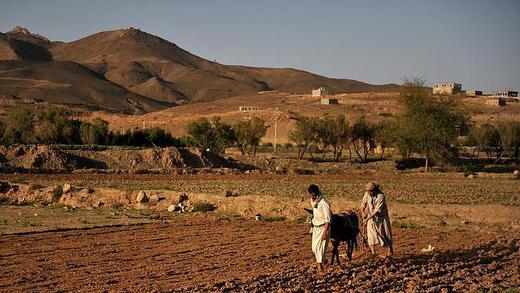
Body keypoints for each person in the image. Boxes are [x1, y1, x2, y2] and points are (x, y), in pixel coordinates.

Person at [361, 182, 394, 258]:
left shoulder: (381, 196)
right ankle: (373, 252)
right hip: (371, 217)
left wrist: (366, 219)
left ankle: (390, 250)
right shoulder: (367, 194)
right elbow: (363, 205)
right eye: (368, 191)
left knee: (386, 234)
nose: (370, 192)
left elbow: (376, 211)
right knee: (371, 235)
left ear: (375, 190)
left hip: (382, 218)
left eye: (371, 191)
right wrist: (363, 212)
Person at [308, 184, 332, 274]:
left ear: (317, 193)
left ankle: (320, 267)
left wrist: (325, 232)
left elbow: (328, 220)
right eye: (310, 195)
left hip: (323, 227)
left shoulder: (324, 203)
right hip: (316, 228)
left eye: (313, 195)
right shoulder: (313, 201)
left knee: (320, 248)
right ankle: (323, 261)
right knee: (314, 248)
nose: (312, 197)